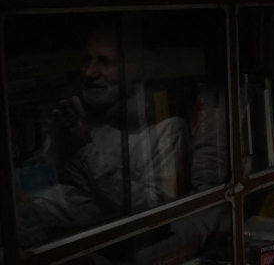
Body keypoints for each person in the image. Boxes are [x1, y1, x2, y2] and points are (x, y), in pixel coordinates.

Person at [16, 22, 191, 246]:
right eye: (87, 60)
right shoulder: (85, 117)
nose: (89, 72)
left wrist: (83, 148)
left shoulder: (166, 128)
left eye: (105, 62)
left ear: (135, 68)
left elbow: (154, 209)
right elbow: (41, 176)